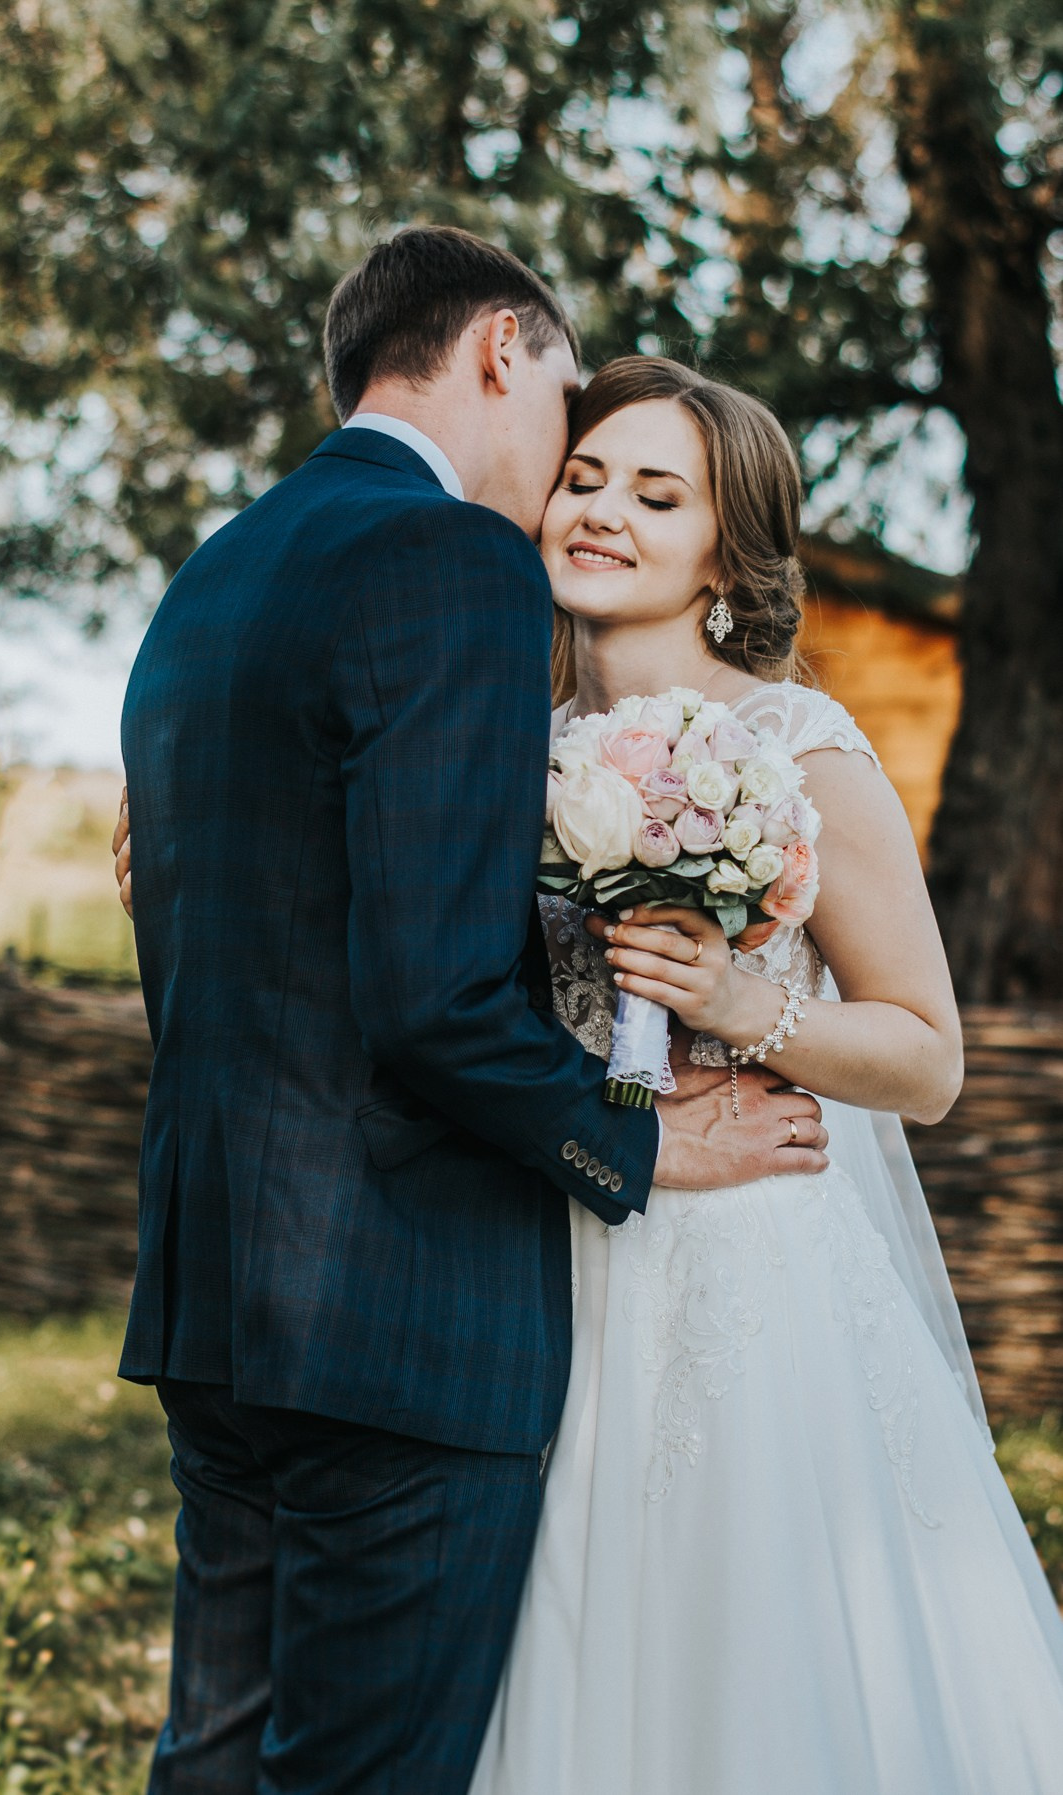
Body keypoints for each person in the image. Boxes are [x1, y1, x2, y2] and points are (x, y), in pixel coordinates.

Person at [114, 230, 826, 1794]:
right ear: (503, 348)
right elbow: (430, 998)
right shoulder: (450, 559)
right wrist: (634, 1146)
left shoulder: (219, 570)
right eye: (568, 404)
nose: (569, 467)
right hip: (398, 1309)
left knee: (213, 1760)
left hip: (215, 1293)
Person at [466, 356, 1063, 1794]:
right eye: (583, 478)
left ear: (725, 556)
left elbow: (926, 1059)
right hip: (543, 1244)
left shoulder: (799, 750)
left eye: (654, 495)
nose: (601, 512)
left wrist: (740, 1001)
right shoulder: (496, 743)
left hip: (747, 1273)